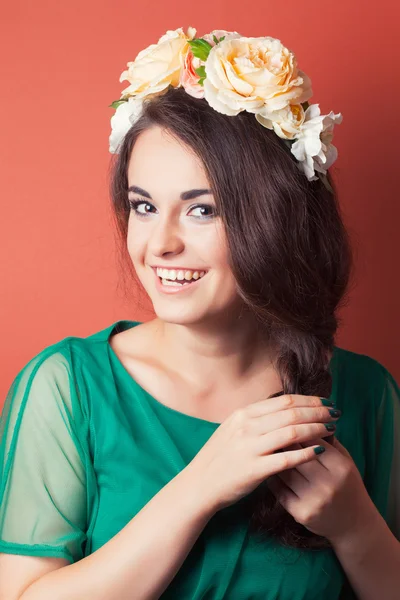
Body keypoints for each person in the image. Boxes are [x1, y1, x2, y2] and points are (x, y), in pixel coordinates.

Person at [0, 27, 399, 600]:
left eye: (202, 210)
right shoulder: (68, 388)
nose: (159, 243)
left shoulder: (366, 396)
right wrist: (200, 487)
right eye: (144, 206)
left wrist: (357, 528)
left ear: (275, 220)